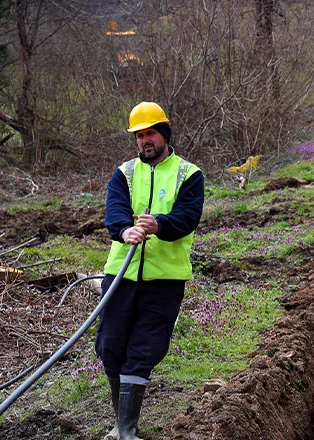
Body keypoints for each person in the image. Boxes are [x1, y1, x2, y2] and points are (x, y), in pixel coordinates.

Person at [97, 102, 204, 440]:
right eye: (139, 135)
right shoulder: (124, 173)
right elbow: (114, 209)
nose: (145, 140)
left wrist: (160, 224)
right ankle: (119, 425)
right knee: (111, 346)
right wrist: (122, 230)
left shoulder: (189, 174)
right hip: (121, 277)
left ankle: (126, 429)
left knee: (144, 350)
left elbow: (188, 217)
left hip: (164, 279)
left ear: (165, 135)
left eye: (150, 134)